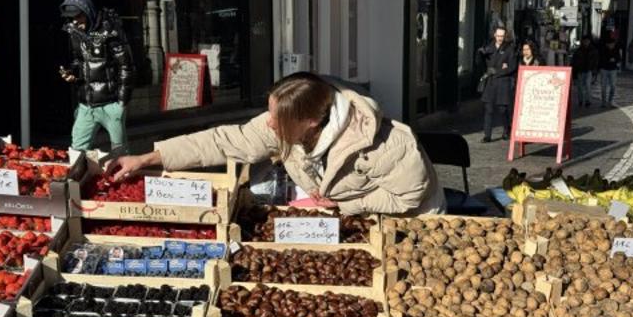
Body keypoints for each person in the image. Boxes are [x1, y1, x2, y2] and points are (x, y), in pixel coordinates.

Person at [106, 72, 446, 216]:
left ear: (311, 121)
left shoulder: (386, 145)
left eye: (277, 119)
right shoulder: (283, 124)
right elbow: (223, 141)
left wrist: (343, 207)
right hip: (348, 213)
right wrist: (149, 157)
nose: (269, 124)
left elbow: (409, 197)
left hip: (411, 219)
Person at [60, 0, 134, 153]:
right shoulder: (75, 32)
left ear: (88, 11)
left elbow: (126, 66)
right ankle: (79, 177)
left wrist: (122, 103)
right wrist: (73, 72)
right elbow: (79, 61)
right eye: (71, 18)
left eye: (78, 16)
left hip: (111, 103)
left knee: (119, 152)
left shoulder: (110, 30)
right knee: (77, 149)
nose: (75, 22)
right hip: (86, 104)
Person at [477, 26, 517, 142]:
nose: (500, 38)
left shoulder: (509, 48)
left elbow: (512, 67)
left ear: (505, 36)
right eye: (498, 36)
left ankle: (506, 129)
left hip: (503, 83)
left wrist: (498, 71)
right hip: (490, 82)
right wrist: (479, 54)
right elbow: (480, 63)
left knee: (502, 109)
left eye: (502, 36)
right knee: (488, 109)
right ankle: (487, 135)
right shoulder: (488, 47)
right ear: (494, 35)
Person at [571, 35, 598, 107]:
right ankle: (580, 100)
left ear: (589, 41)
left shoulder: (594, 50)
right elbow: (574, 62)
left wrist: (594, 72)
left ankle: (588, 101)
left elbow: (595, 62)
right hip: (580, 70)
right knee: (579, 87)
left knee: (587, 85)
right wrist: (574, 74)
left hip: (589, 70)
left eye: (587, 41)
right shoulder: (578, 50)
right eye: (585, 41)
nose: (586, 42)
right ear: (582, 42)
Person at [598, 39, 621, 107]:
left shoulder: (616, 49)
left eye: (613, 44)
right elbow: (601, 59)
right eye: (611, 44)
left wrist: (615, 60)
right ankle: (603, 102)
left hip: (613, 69)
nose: (612, 45)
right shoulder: (603, 49)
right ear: (607, 44)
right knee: (603, 86)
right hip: (604, 69)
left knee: (613, 86)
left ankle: (610, 101)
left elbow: (619, 58)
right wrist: (610, 59)